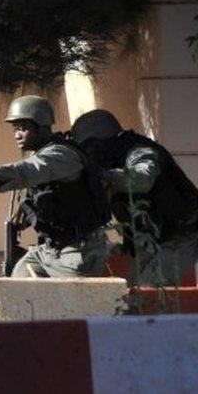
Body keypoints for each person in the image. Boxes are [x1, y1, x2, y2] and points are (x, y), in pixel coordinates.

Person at [0, 96, 110, 278]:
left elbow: (31, 169)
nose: (17, 135)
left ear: (42, 127)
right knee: (18, 285)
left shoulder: (61, 155)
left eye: (23, 128)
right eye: (15, 129)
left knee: (74, 303)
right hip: (47, 250)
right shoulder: (40, 155)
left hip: (77, 250)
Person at [72, 109, 198, 286]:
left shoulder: (139, 151)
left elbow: (142, 179)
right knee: (133, 295)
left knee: (150, 293)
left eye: (88, 148)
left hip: (183, 235)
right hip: (153, 241)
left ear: (100, 144)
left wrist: (105, 177)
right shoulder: (112, 160)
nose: (88, 155)